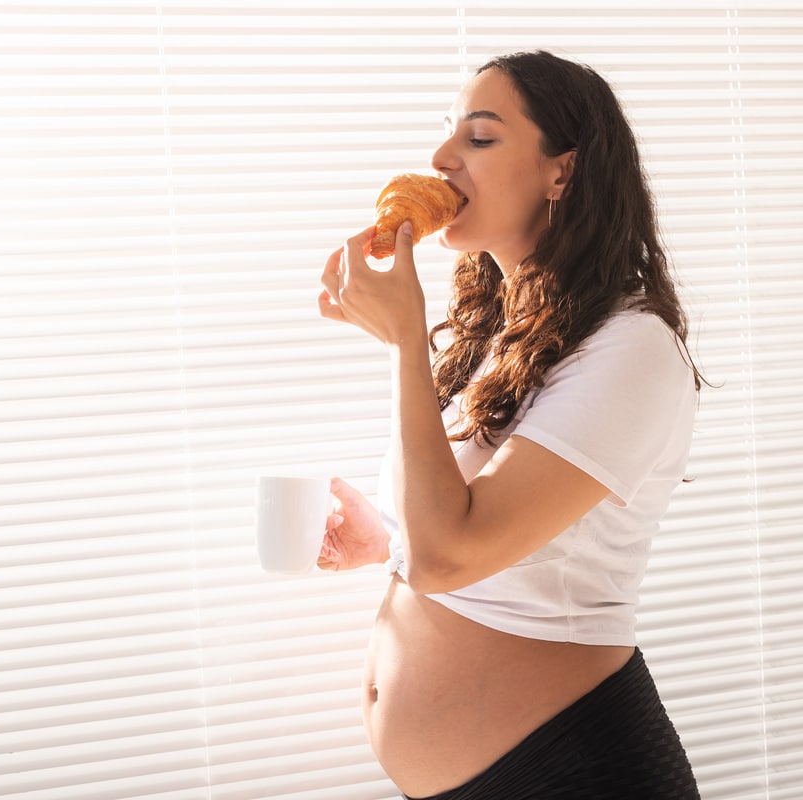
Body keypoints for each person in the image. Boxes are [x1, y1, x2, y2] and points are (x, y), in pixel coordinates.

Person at [317, 50, 702, 800]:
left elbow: (450, 557)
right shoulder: (498, 334)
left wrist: (402, 340)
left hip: (577, 770)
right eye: (448, 136)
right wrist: (389, 543)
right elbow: (475, 539)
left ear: (562, 172)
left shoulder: (631, 346)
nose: (441, 157)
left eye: (481, 138)